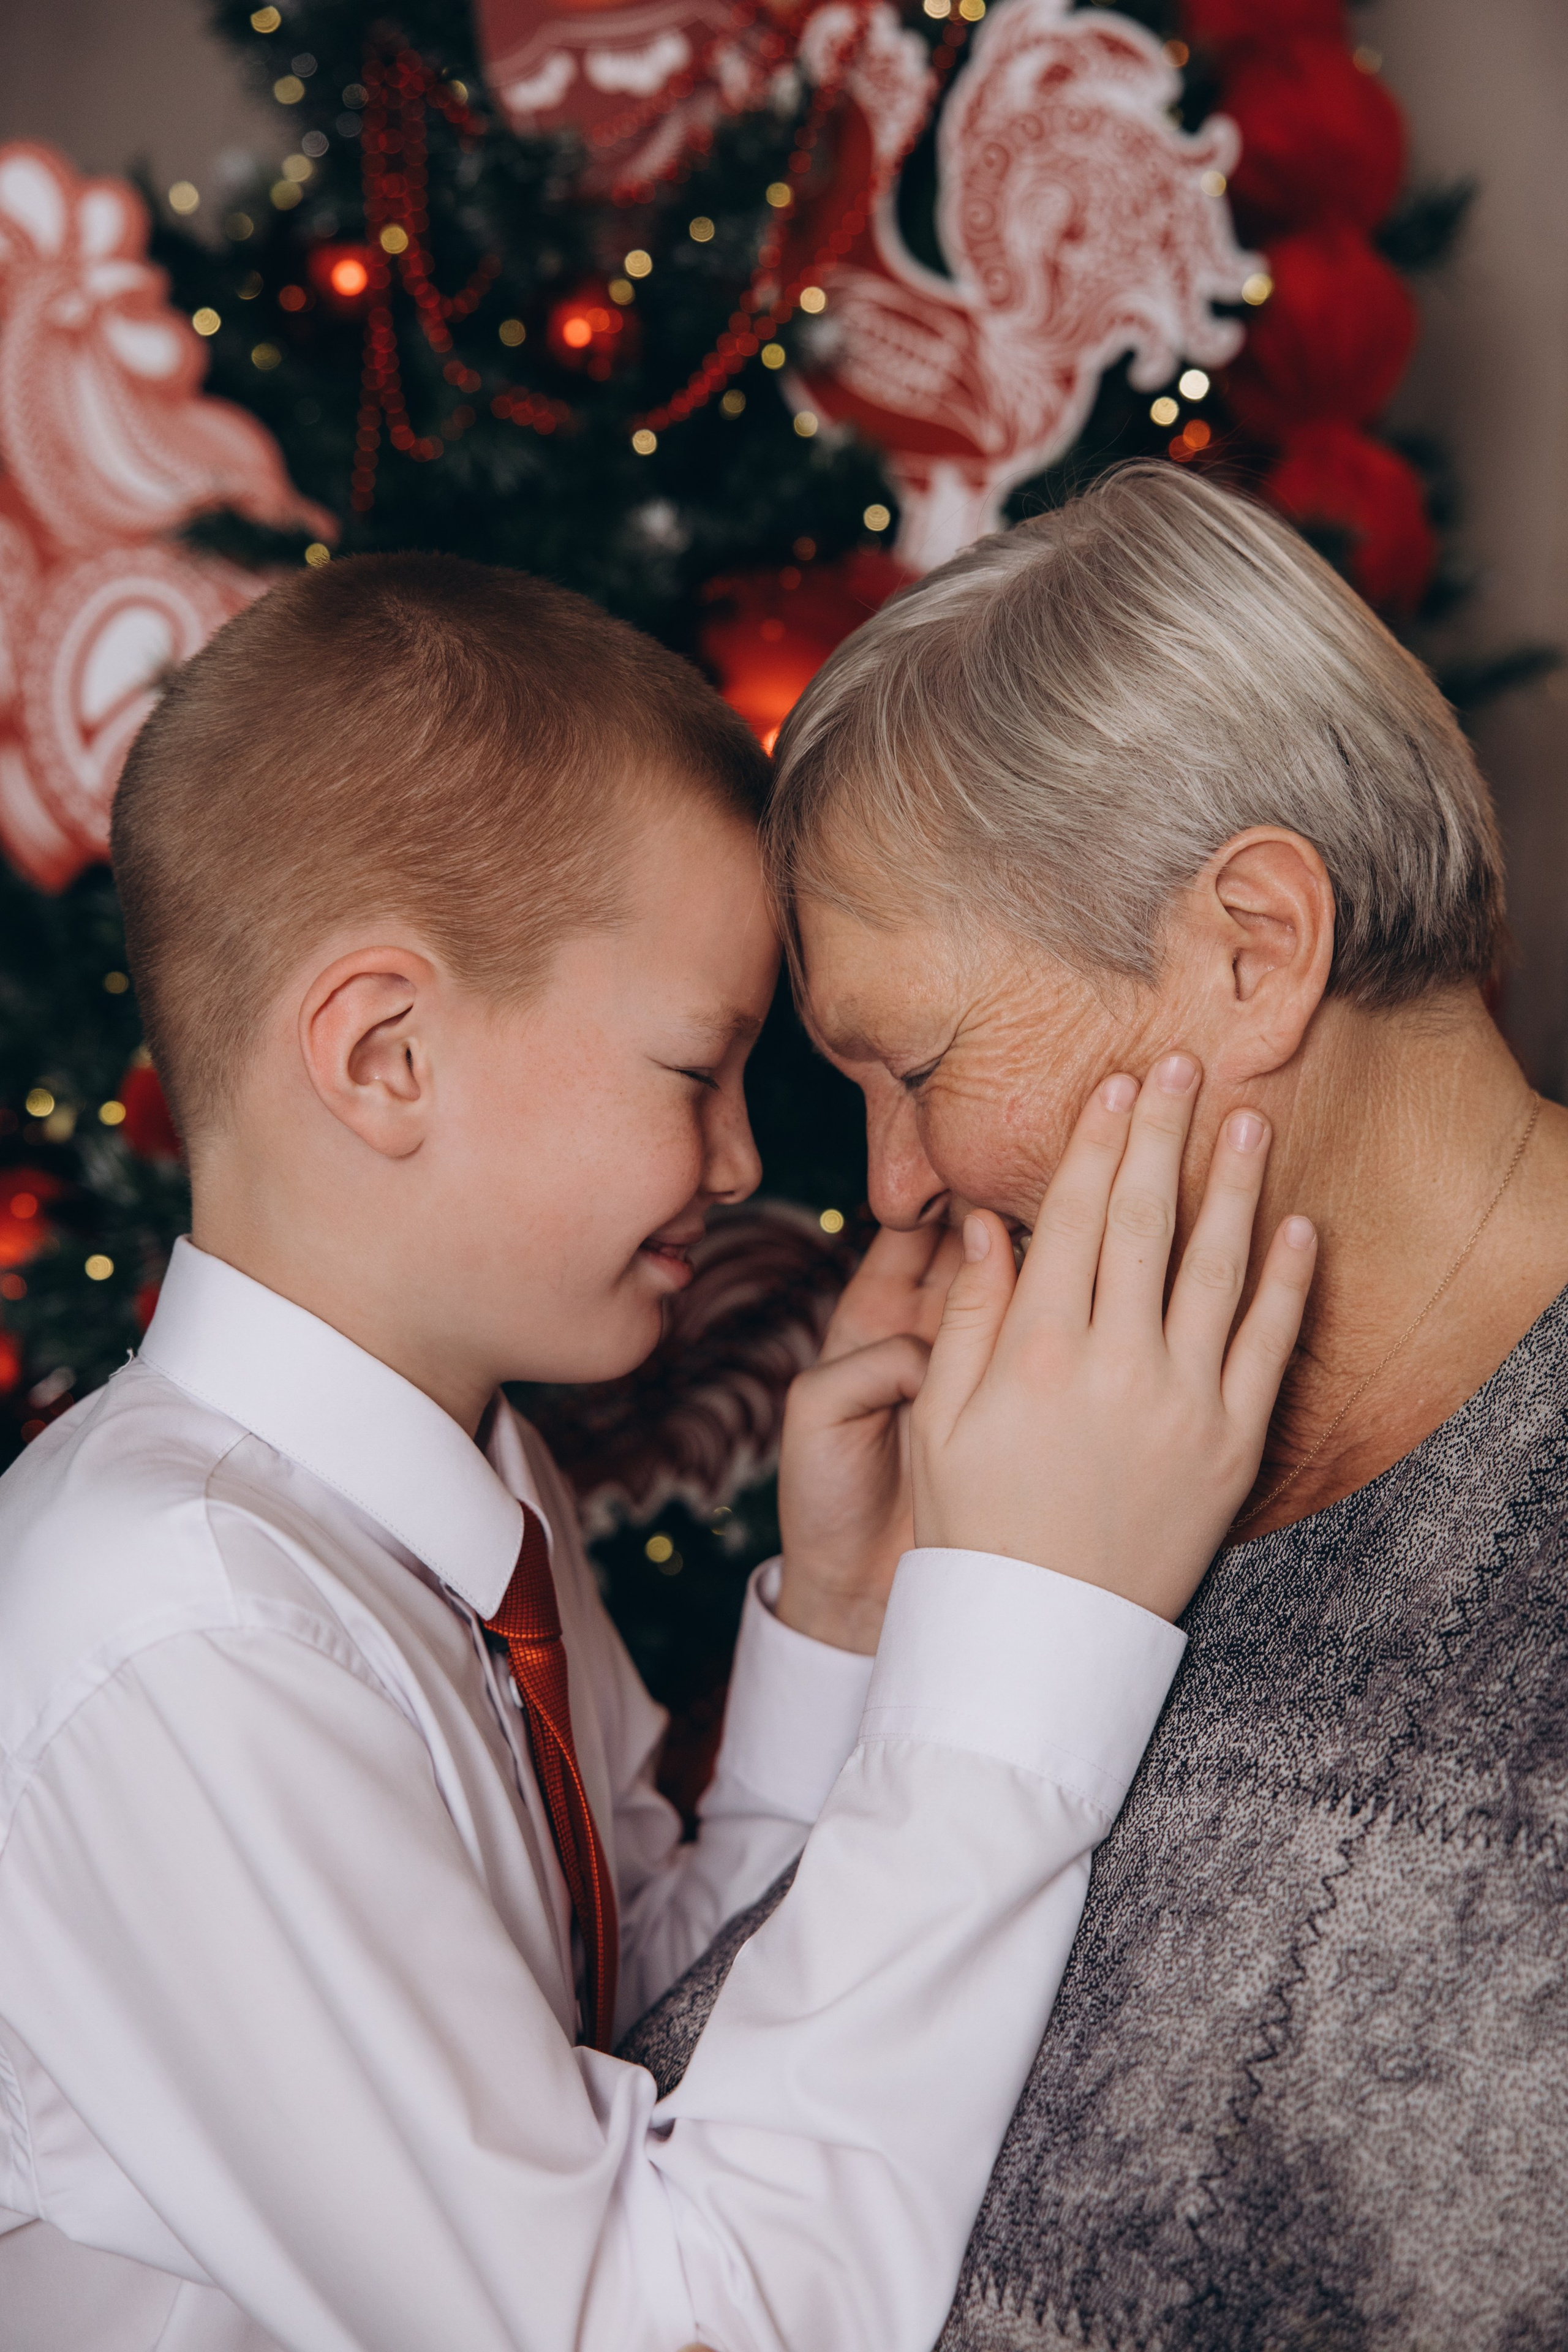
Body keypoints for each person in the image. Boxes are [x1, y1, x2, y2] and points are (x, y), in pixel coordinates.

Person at [0, 554, 1311, 2352]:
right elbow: (650, 2321)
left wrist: (841, 1617)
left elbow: (613, 2025)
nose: (740, 1164)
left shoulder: (462, 1491)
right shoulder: (190, 1639)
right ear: (386, 1056)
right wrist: (1028, 1630)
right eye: (697, 1070)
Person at [625, 462, 1568, 2349]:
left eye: (916, 1068)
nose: (892, 1189)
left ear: (1251, 949)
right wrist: (888, 1632)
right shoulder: (1065, 1457)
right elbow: (713, 2201)